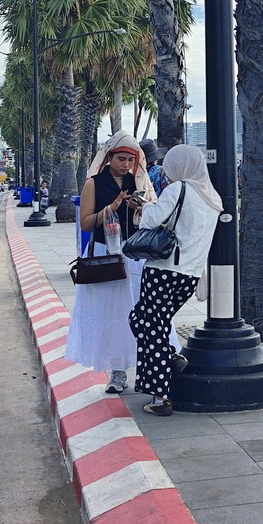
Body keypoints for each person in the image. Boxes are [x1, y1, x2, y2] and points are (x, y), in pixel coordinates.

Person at [128, 145, 222, 416]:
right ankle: (171, 356)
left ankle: (161, 397)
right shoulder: (212, 197)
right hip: (190, 275)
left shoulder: (178, 189)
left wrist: (144, 206)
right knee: (142, 320)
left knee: (151, 327)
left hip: (163, 270)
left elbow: (151, 221)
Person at [69, 134, 155, 395]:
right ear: (109, 157)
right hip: (105, 254)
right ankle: (117, 371)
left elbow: (152, 215)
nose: (126, 164)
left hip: (134, 253)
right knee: (110, 312)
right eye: (121, 159)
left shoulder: (136, 181)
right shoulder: (94, 183)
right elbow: (86, 223)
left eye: (130, 160)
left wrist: (140, 208)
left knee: (139, 309)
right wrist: (111, 208)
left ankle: (147, 367)